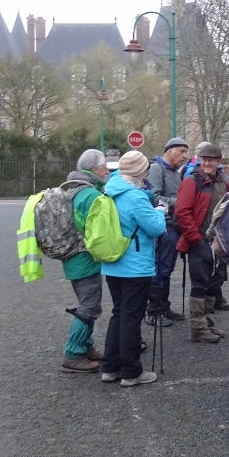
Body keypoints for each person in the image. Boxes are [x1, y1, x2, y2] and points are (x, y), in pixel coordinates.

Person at [99, 151, 167, 387]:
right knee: (131, 317)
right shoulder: (135, 196)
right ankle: (131, 371)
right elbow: (155, 228)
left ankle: (110, 367)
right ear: (139, 171)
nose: (147, 174)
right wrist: (160, 212)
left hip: (113, 261)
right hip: (135, 264)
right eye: (145, 170)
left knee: (119, 313)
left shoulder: (110, 190)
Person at [60, 149, 110, 373]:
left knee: (89, 303)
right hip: (84, 257)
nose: (107, 170)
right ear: (94, 169)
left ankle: (86, 346)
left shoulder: (74, 188)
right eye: (104, 166)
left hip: (74, 256)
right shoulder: (90, 194)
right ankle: (73, 353)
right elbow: (98, 229)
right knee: (89, 306)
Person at [175, 142, 229, 344]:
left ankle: (206, 323)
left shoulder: (224, 181)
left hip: (218, 242)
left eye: (211, 160)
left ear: (218, 161)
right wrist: (196, 238)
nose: (207, 163)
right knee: (199, 284)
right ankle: (197, 328)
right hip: (199, 241)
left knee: (213, 283)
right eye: (204, 160)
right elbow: (182, 212)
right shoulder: (192, 182)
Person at [146, 136, 189, 326]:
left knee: (168, 269)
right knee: (160, 268)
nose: (184, 156)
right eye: (181, 151)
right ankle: (153, 311)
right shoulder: (157, 168)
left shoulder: (175, 172)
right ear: (169, 151)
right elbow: (153, 197)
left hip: (174, 226)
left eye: (186, 152)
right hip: (164, 226)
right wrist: (180, 203)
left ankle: (164, 307)